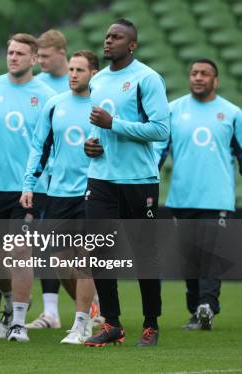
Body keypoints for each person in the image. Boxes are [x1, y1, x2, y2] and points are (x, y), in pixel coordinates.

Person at [82, 19, 169, 347]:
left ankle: (151, 323)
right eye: (106, 36)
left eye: (116, 37)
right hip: (100, 177)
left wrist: (113, 123)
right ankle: (113, 323)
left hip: (138, 179)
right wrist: (91, 143)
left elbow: (161, 130)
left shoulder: (147, 79)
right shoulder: (99, 80)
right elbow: (97, 128)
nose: (108, 41)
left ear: (132, 45)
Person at [0, 33, 56, 339]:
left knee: (20, 251)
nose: (13, 57)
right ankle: (11, 303)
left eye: (21, 53)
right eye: (10, 52)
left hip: (32, 187)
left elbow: (53, 142)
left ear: (34, 59)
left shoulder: (48, 96)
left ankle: (19, 323)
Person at [155, 58, 242, 331]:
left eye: (205, 74)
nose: (198, 77)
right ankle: (196, 310)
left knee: (210, 253)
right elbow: (158, 153)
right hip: (181, 198)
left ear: (215, 80)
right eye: (194, 73)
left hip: (217, 198)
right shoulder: (172, 111)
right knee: (189, 259)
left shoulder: (232, 114)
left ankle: (207, 305)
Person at [20, 50, 99, 344]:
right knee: (58, 260)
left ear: (93, 73)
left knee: (85, 258)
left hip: (93, 193)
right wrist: (29, 184)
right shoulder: (55, 105)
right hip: (59, 193)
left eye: (80, 70)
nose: (74, 75)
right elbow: (39, 147)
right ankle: (92, 310)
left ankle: (82, 324)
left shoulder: (102, 106)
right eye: (71, 70)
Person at [35, 29, 70, 94]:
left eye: (45, 56)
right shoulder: (35, 83)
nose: (40, 61)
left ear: (62, 53)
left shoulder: (82, 82)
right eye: (38, 56)